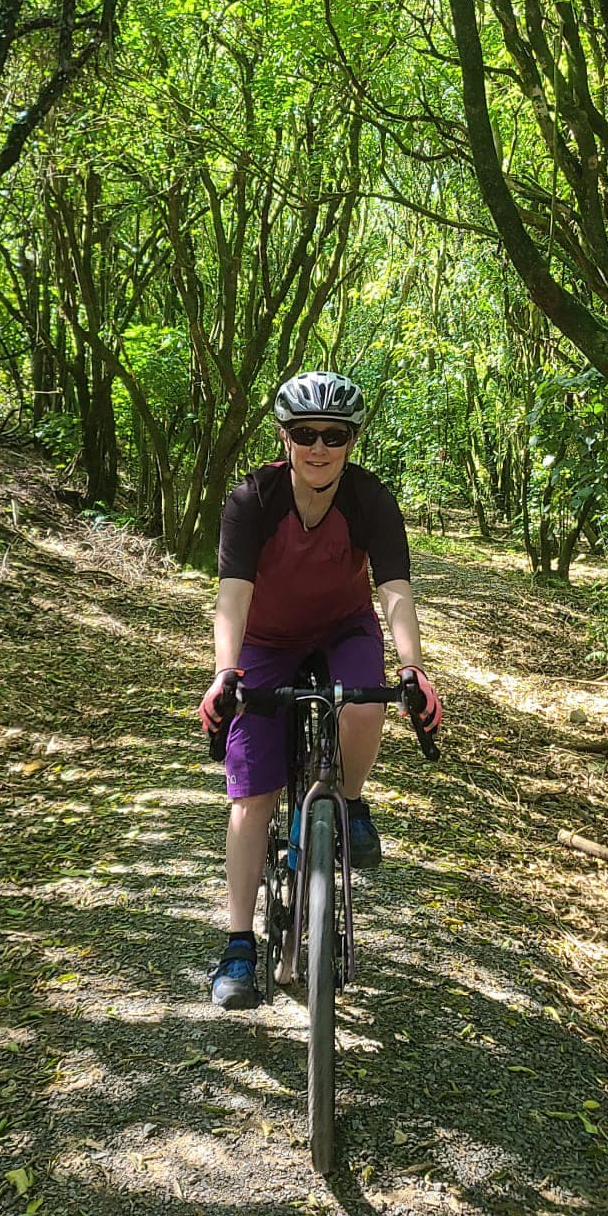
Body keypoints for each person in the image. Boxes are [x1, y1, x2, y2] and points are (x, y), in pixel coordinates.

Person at [197, 370, 443, 1010]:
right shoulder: (253, 498)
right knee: (253, 794)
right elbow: (233, 595)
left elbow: (393, 589)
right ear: (285, 437)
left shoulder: (370, 499)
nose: (319, 446)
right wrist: (226, 672)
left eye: (334, 435)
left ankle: (351, 805)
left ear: (351, 441)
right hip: (267, 642)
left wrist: (413, 666)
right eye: (305, 433)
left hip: (342, 628)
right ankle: (238, 944)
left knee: (365, 696)